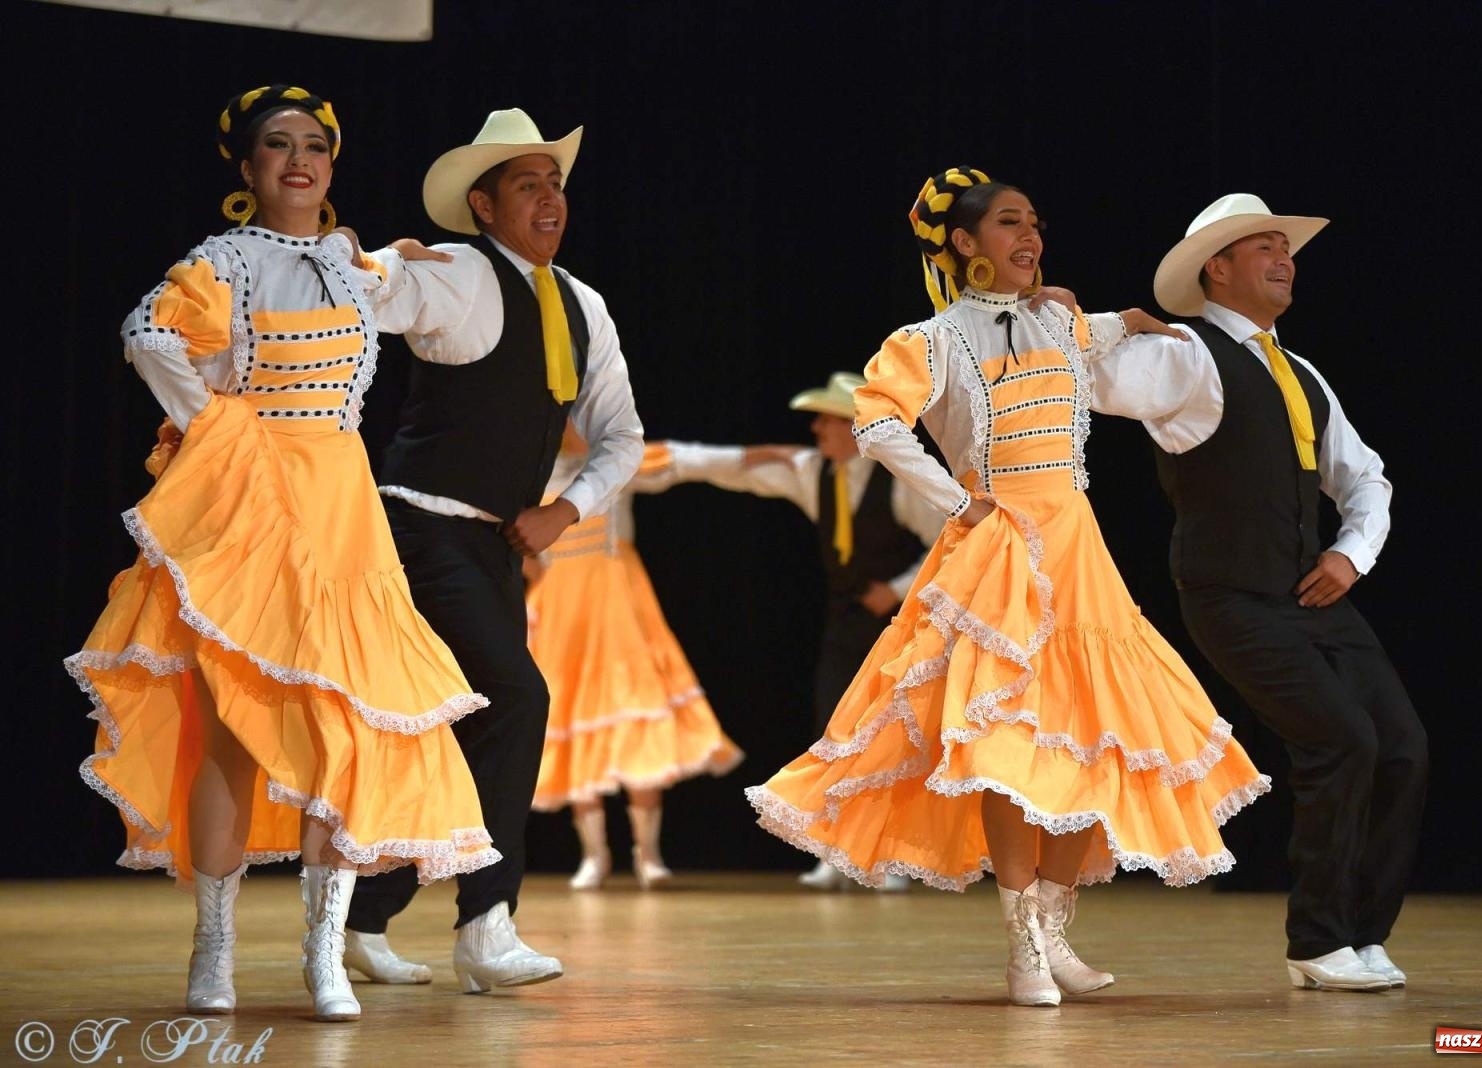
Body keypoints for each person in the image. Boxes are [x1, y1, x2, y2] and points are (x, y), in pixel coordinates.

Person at [744, 167, 1272, 1007]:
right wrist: (959, 498)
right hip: (999, 551)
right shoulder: (935, 339)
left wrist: (1132, 319)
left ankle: (1054, 931)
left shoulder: (1058, 321)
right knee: (998, 746)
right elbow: (877, 420)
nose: (1029, 237)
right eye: (1009, 224)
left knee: (1092, 736)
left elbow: (1096, 329)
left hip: (1078, 554)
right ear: (963, 242)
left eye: (1035, 224)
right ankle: (1023, 942)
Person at [65, 85, 500, 1022]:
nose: (299, 160)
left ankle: (322, 954)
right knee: (233, 728)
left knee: (345, 723)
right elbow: (149, 334)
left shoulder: (346, 262)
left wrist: (393, 255)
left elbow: (368, 269)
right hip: (254, 506)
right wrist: (220, 437)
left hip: (341, 508)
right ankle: (213, 948)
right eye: (277, 145)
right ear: (247, 165)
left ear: (332, 165)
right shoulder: (225, 260)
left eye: (314, 146)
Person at [1082, 193, 1428, 992]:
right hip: (1230, 596)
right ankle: (1316, 941)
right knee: (1341, 739)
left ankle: (1359, 934)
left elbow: (1365, 477)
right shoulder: (1188, 356)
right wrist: (1099, 323)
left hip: (1316, 594)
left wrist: (1351, 556)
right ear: (1218, 267)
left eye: (1288, 249)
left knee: (1402, 747)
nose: (1285, 260)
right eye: (1264, 247)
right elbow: (1093, 376)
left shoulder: (1301, 372)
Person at [344, 108, 644, 992]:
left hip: (495, 548)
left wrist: (566, 509)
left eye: (556, 184)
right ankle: (485, 924)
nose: (550, 198)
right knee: (514, 696)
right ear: (482, 205)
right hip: (417, 529)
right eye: (528, 184)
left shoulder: (586, 306)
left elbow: (621, 438)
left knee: (469, 724)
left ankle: (367, 917)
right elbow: (357, 301)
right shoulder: (458, 274)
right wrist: (367, 262)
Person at [650, 373, 949, 891]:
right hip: (845, 621)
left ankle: (887, 858)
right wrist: (669, 459)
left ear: (855, 429)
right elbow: (736, 471)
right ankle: (830, 850)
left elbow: (948, 540)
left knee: (891, 734)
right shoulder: (814, 472)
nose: (816, 430)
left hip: (900, 625)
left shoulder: (899, 481)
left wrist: (898, 588)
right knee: (835, 728)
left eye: (826, 421)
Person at [525, 430, 744, 890]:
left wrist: (758, 455)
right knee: (574, 716)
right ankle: (594, 855)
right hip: (565, 609)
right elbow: (518, 545)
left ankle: (647, 853)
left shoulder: (615, 464)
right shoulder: (531, 474)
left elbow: (689, 460)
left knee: (636, 712)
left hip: (617, 603)